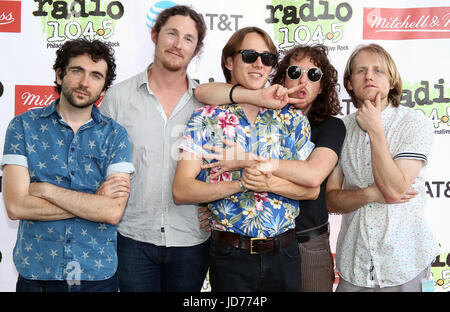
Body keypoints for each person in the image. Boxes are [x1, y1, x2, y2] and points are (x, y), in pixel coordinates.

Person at [172, 27, 316, 292]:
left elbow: (311, 188)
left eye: (268, 58)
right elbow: (182, 190)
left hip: (285, 253)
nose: (259, 63)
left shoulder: (293, 119)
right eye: (250, 55)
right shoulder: (206, 118)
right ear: (229, 61)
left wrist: (257, 173)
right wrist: (242, 184)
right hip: (230, 257)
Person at [194, 44, 344, 291]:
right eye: (295, 72)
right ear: (283, 76)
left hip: (307, 243)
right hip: (249, 246)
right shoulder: (261, 113)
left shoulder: (330, 127)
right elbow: (202, 92)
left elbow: (312, 178)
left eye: (313, 75)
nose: (302, 81)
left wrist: (248, 160)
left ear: (322, 86)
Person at [1, 39, 135, 292]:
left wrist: (44, 190)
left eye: (96, 76)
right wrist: (93, 201)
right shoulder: (23, 127)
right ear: (60, 74)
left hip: (96, 275)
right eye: (77, 71)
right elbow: (16, 205)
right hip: (38, 273)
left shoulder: (116, 135)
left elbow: (111, 212)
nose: (85, 82)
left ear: (103, 88)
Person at [99, 5, 210, 292]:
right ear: (154, 35)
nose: (178, 44)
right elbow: (99, 164)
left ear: (196, 50)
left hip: (191, 240)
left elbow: (220, 166)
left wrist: (215, 206)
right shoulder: (118, 98)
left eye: (188, 39)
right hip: (132, 238)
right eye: (171, 33)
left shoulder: (208, 105)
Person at [326, 43, 441, 291]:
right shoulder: (340, 129)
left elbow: (393, 189)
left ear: (391, 82)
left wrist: (376, 128)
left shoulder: (414, 122)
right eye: (360, 71)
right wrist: (370, 193)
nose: (369, 76)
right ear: (349, 83)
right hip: (353, 264)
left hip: (404, 264)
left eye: (378, 70)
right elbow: (331, 200)